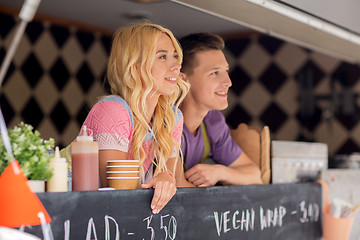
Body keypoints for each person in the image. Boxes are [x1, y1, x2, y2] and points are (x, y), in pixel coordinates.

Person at [78, 22, 189, 214]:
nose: (176, 66)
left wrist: (166, 178)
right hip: (74, 214)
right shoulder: (113, 109)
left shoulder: (172, 118)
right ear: (135, 65)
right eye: (162, 56)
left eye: (175, 56)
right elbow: (117, 196)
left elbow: (171, 180)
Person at [178, 32, 262, 187]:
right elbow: (176, 185)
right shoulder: (163, 121)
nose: (228, 82)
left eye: (226, 71)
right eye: (214, 73)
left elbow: (254, 175)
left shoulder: (213, 121)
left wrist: (220, 172)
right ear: (183, 80)